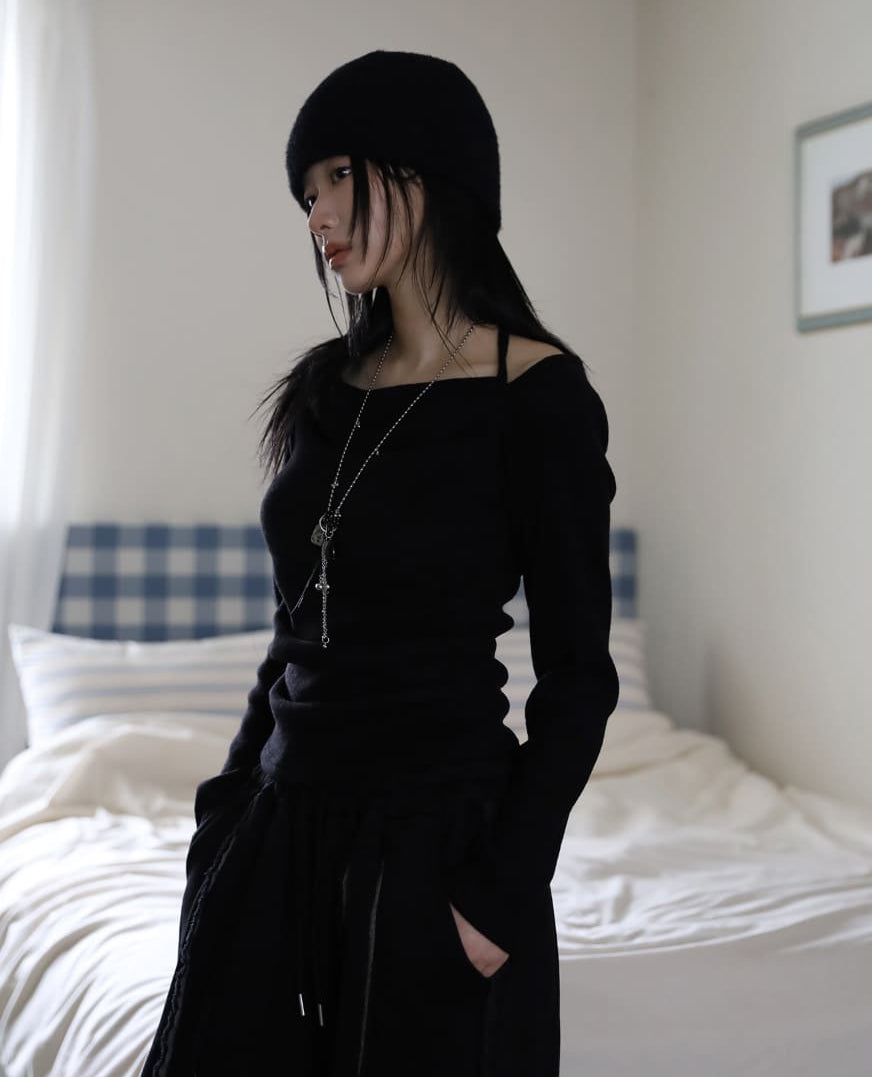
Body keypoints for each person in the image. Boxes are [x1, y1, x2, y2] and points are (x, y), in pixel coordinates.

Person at [141, 48, 620, 1077]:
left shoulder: (537, 396)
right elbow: (295, 633)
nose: (316, 215)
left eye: (336, 177)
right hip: (276, 831)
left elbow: (580, 677)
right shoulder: (325, 390)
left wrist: (501, 893)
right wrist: (224, 813)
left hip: (436, 844)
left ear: (425, 168)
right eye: (305, 195)